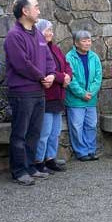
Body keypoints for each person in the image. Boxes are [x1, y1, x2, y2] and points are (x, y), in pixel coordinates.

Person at [4, 0, 57, 186]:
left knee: (35, 131)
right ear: (25, 11)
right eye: (36, 7)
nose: (39, 10)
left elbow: (49, 58)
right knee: (20, 132)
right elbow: (21, 64)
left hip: (38, 91)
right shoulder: (14, 36)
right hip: (22, 91)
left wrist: (51, 74)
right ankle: (19, 170)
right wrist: (42, 77)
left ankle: (31, 166)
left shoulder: (38, 34)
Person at [33, 19, 72, 173]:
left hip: (58, 95)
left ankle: (50, 159)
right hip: (47, 96)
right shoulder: (38, 49)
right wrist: (63, 78)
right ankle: (38, 161)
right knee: (44, 132)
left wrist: (68, 75)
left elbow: (66, 65)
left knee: (55, 132)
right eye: (47, 30)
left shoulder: (55, 48)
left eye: (51, 30)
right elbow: (43, 69)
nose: (50, 33)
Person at [65, 30, 102, 161]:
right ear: (76, 43)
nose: (87, 43)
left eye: (89, 40)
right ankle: (81, 152)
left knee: (91, 125)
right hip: (75, 100)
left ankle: (91, 150)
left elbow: (98, 77)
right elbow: (71, 78)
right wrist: (82, 93)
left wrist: (90, 93)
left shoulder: (94, 57)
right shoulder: (69, 57)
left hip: (90, 100)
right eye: (84, 41)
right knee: (76, 126)